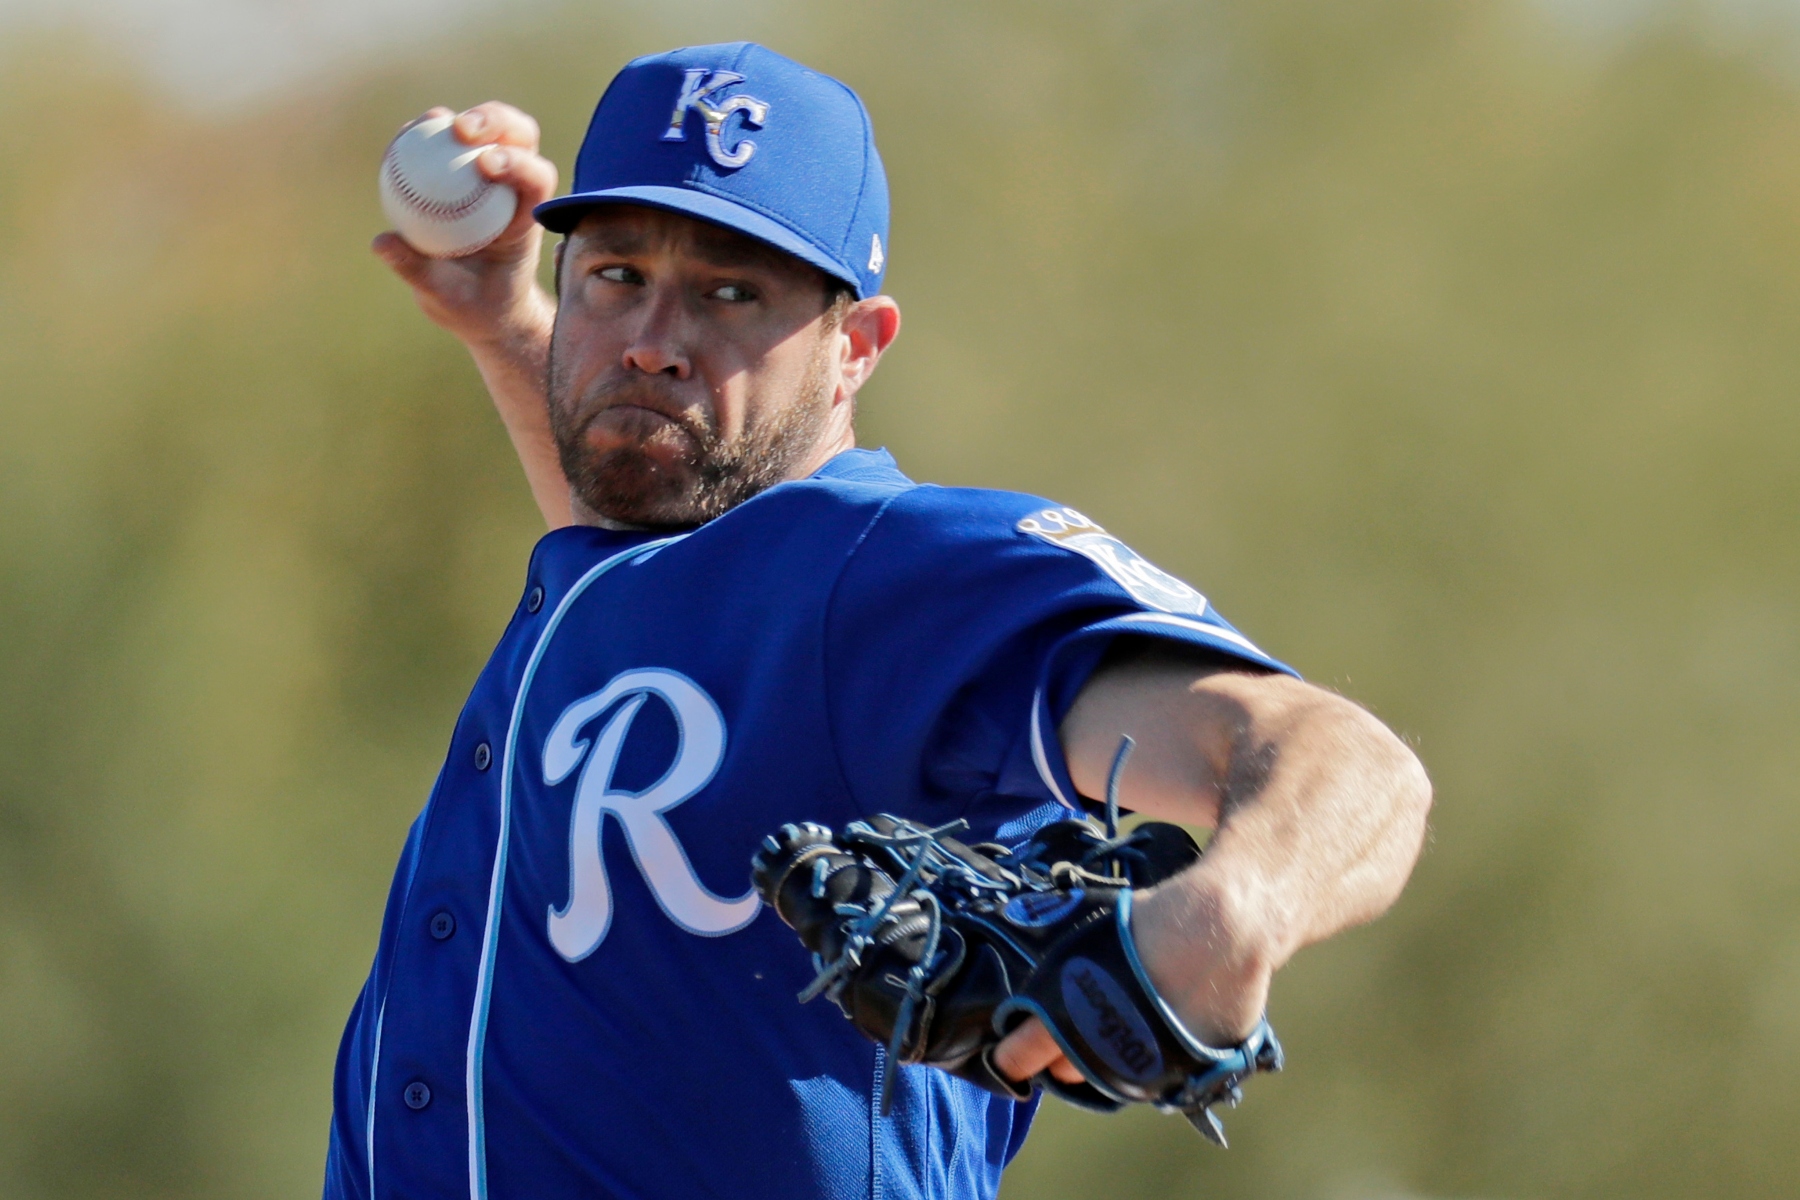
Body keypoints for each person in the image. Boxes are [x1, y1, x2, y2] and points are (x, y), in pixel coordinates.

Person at [331, 41, 1432, 1200]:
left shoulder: (891, 571)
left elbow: (1355, 763)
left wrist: (1234, 911)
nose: (652, 340)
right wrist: (505, 320)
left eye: (730, 293)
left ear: (855, 347)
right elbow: (657, 566)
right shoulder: (657, 581)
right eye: (615, 275)